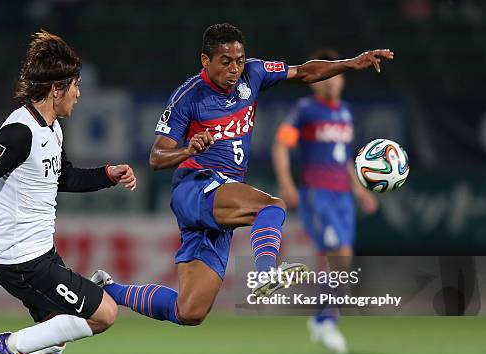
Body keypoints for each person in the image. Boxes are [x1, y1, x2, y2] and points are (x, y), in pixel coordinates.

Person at [92, 23, 392, 328]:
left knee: (190, 311)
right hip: (195, 186)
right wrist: (188, 151)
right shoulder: (188, 96)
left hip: (223, 193)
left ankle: (105, 290)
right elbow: (156, 157)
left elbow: (304, 72)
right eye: (226, 61)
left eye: (239, 60)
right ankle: (265, 274)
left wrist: (351, 63)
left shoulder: (255, 73)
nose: (235, 69)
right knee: (271, 207)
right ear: (205, 61)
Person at [0, 30, 136, 354]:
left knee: (60, 328)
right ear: (57, 89)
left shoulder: (51, 129)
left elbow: (63, 178)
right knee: (103, 314)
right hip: (23, 259)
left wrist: (108, 174)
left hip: (38, 253)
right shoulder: (20, 131)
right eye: (76, 87)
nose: (79, 94)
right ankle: (10, 345)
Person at [272, 48, 379, 354]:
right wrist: (287, 183)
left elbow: (344, 159)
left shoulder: (344, 113)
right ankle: (325, 319)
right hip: (317, 193)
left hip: (343, 196)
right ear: (315, 80)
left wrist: (360, 191)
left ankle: (323, 316)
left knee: (342, 260)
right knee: (338, 253)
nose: (333, 83)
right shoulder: (306, 110)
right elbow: (281, 145)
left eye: (339, 76)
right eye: (327, 77)